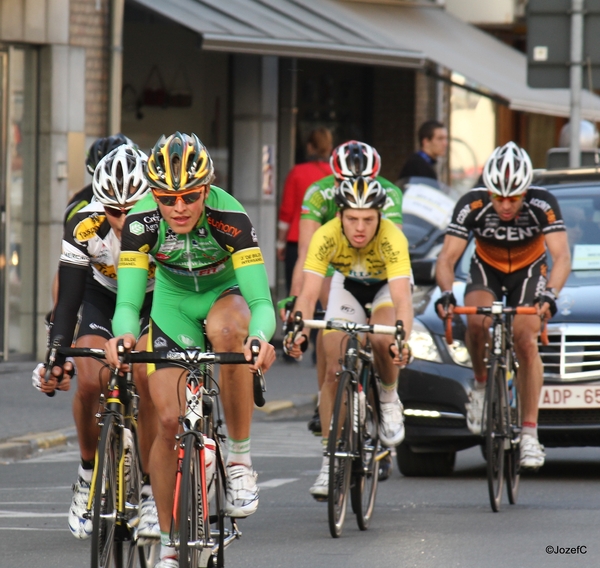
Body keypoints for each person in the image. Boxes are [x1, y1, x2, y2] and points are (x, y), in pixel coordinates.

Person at [104, 132, 276, 568]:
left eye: (190, 196)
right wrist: (123, 336)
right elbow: (126, 304)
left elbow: (260, 304)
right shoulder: (142, 222)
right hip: (173, 304)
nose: (178, 207)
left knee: (227, 332)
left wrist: (260, 338)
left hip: (224, 297)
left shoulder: (230, 217)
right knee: (166, 421)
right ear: (154, 196)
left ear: (206, 188)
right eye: (167, 198)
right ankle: (167, 541)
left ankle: (238, 459)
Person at [34, 145, 159, 540]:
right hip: (101, 296)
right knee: (90, 380)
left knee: (144, 375)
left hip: (156, 298)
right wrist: (55, 353)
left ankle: (151, 481)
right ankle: (88, 474)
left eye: (132, 208)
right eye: (113, 209)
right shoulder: (83, 224)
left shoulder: (166, 221)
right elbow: (68, 298)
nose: (122, 220)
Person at [434, 142, 571, 469]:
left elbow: (562, 256)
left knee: (525, 339)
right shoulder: (472, 203)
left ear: (526, 191)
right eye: (499, 197)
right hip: (488, 269)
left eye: (514, 197)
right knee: (476, 322)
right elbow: (446, 258)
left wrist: (550, 295)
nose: (506, 205)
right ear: (488, 190)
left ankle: (529, 434)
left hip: (529, 271)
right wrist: (445, 293)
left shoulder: (542, 203)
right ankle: (481, 385)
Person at [284, 176, 413, 498]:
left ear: (380, 216)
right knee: (332, 366)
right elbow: (309, 292)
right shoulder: (326, 236)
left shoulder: (392, 238)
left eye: (368, 219)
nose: (360, 227)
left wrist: (403, 340)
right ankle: (331, 463)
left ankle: (388, 398)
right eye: (352, 218)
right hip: (348, 288)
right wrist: (298, 331)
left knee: (384, 339)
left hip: (384, 289)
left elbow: (402, 301)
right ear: (339, 215)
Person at [277, 127, 333, 292]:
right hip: (329, 241)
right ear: (329, 148)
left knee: (297, 291)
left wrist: (280, 243)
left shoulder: (297, 173)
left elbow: (286, 211)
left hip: (297, 240)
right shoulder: (335, 176)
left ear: (309, 147)